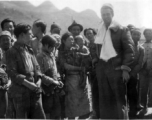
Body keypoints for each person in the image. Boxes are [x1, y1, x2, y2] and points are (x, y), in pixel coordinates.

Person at [94, 3, 134, 119]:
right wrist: (96, 60)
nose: (105, 16)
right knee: (105, 101)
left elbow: (129, 50)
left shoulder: (122, 29)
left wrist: (125, 69)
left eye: (108, 14)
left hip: (116, 70)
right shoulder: (100, 30)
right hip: (102, 71)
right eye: (103, 14)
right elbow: (96, 48)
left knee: (119, 101)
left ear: (112, 14)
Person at [6, 23, 46, 119]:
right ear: (21, 35)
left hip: (34, 92)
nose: (32, 36)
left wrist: (39, 81)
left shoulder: (29, 50)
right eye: (29, 34)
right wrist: (28, 84)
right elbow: (12, 73)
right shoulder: (11, 52)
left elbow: (37, 68)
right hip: (20, 94)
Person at [58, 32, 90, 119]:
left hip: (80, 79)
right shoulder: (61, 52)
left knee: (83, 106)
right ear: (64, 41)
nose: (72, 41)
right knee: (72, 105)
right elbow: (66, 66)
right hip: (70, 79)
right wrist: (80, 69)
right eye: (70, 39)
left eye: (73, 39)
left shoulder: (75, 49)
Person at [36, 35, 63, 119]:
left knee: (57, 111)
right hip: (46, 89)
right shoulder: (40, 56)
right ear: (45, 45)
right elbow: (40, 74)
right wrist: (52, 81)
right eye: (51, 46)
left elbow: (55, 70)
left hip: (54, 88)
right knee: (47, 111)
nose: (52, 49)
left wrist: (58, 79)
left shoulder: (51, 55)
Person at [128, 28, 144, 119]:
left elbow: (140, 63)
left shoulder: (141, 49)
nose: (136, 36)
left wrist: (133, 73)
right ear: (131, 35)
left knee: (133, 93)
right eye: (134, 34)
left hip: (134, 75)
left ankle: (133, 113)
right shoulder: (126, 46)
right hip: (124, 73)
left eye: (138, 35)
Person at [84, 28, 100, 118]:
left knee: (98, 91)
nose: (89, 35)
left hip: (99, 69)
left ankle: (98, 113)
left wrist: (95, 59)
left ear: (94, 34)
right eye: (87, 34)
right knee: (93, 91)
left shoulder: (98, 44)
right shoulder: (86, 45)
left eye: (90, 33)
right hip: (91, 71)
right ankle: (95, 112)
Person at [138, 29, 152, 113]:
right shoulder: (141, 46)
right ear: (144, 35)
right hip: (143, 71)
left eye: (150, 34)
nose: (148, 35)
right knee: (143, 89)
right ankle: (144, 106)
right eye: (146, 34)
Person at [0, 31, 14, 118]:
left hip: (11, 85)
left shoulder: (14, 53)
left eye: (7, 40)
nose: (5, 42)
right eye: (3, 40)